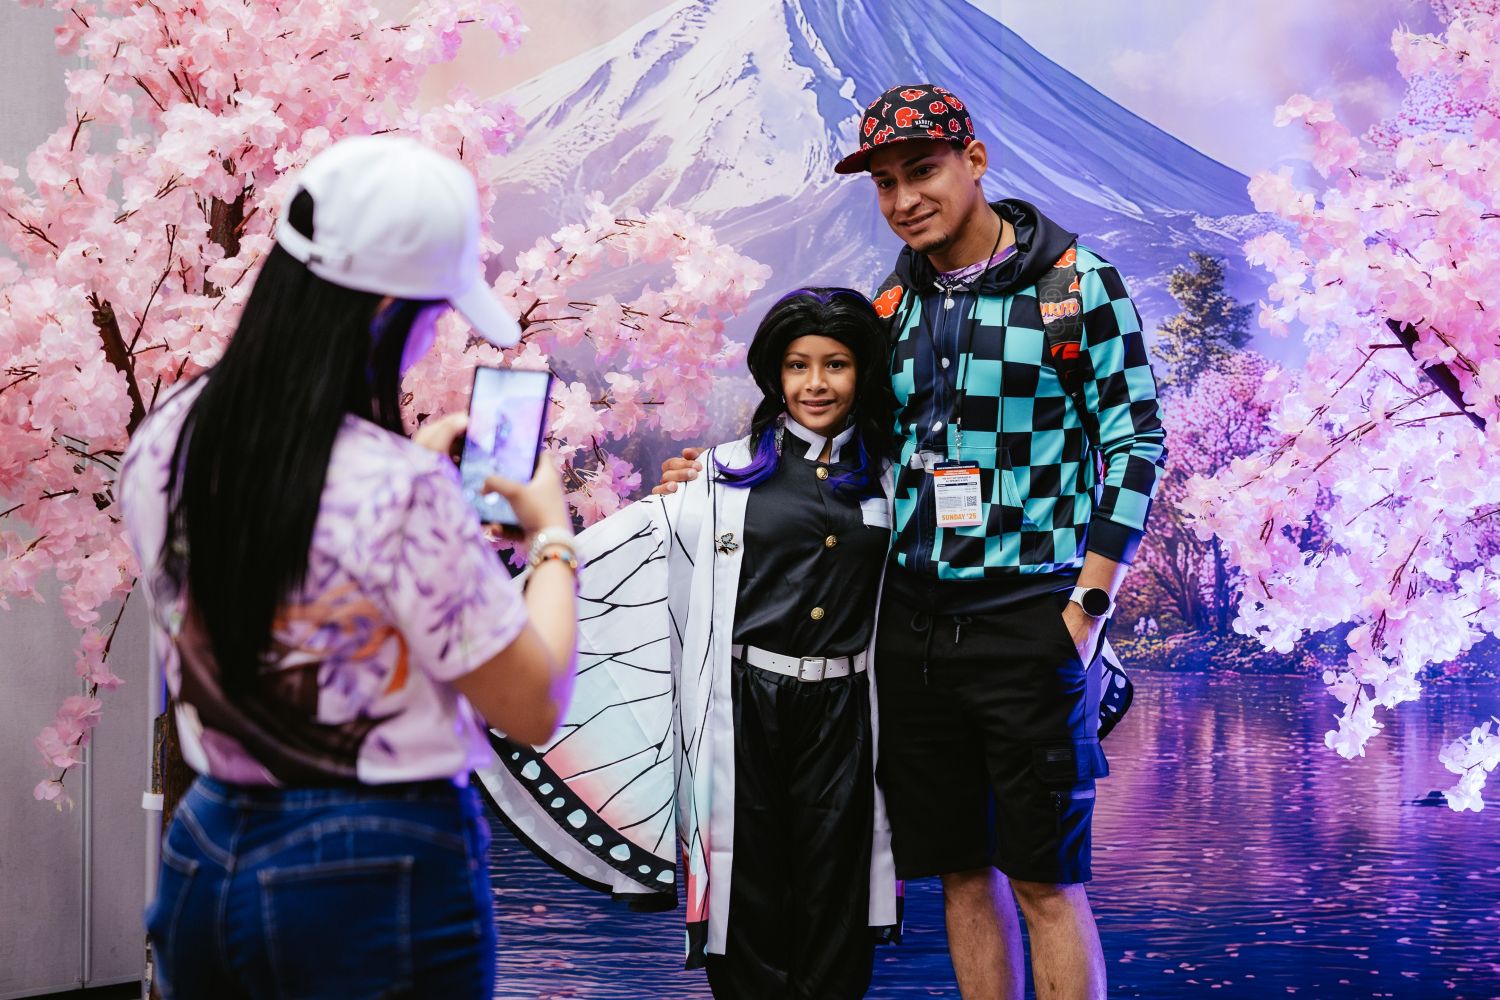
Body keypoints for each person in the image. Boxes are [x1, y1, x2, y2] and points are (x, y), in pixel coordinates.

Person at [657, 83, 1167, 1000]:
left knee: (1047, 879)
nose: (904, 200)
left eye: (922, 172)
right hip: (914, 628)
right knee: (961, 873)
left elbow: (1137, 442)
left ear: (974, 159)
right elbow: (834, 427)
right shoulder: (892, 303)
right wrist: (721, 470)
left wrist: (1089, 605)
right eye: (886, 183)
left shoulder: (1078, 286)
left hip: (1030, 616)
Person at [119, 135, 580, 999]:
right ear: (381, 313)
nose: (433, 334)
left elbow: (303, 521)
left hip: (206, 846)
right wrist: (552, 536)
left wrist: (411, 467)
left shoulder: (164, 439)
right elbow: (532, 703)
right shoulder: (399, 491)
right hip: (377, 868)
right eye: (436, 314)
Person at [481, 288, 902, 999]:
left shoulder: (896, 479)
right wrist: (503, 597)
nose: (816, 384)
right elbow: (613, 558)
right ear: (775, 375)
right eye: (798, 366)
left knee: (839, 888)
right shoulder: (718, 476)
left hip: (847, 712)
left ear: (864, 372)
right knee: (749, 886)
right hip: (744, 706)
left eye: (836, 364)